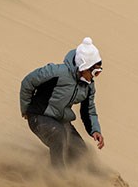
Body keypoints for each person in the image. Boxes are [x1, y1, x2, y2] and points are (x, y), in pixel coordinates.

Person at [20, 37, 105, 169]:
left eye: (99, 72)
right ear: (84, 67)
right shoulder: (56, 72)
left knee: (81, 152)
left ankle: (83, 182)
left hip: (61, 120)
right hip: (39, 116)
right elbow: (28, 82)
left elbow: (88, 110)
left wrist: (95, 130)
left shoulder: (88, 86)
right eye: (95, 71)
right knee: (58, 135)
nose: (95, 76)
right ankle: (59, 178)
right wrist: (25, 109)